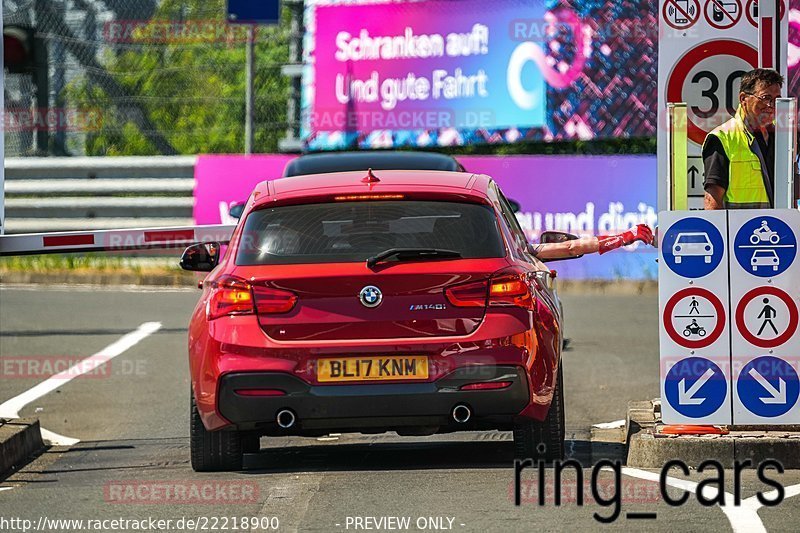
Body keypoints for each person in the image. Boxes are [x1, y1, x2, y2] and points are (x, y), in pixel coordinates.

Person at [703, 68, 799, 209]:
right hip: (740, 229)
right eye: (765, 98)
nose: (771, 106)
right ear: (743, 99)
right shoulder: (722, 138)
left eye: (776, 100)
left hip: (781, 227)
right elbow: (713, 200)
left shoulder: (784, 136)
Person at [531, 224, 654, 260]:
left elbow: (572, 247)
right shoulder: (520, 250)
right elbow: (572, 247)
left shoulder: (518, 249)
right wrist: (622, 238)